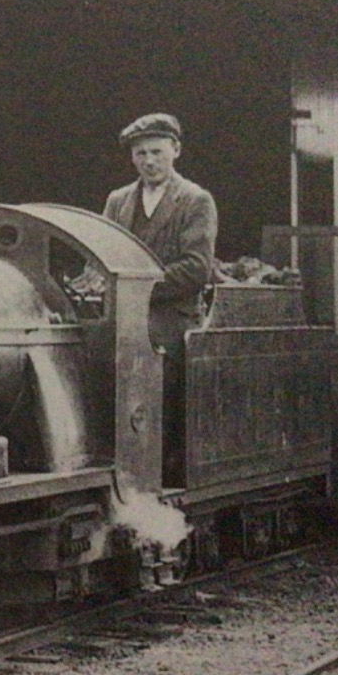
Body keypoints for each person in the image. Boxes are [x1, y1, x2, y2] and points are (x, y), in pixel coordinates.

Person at [103, 113, 217, 487]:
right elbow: (104, 256)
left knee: (160, 395)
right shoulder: (117, 201)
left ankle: (160, 473)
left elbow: (196, 268)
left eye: (155, 152)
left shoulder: (196, 200)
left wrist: (138, 287)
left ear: (176, 151)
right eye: (140, 154)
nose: (148, 161)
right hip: (123, 317)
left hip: (173, 319)